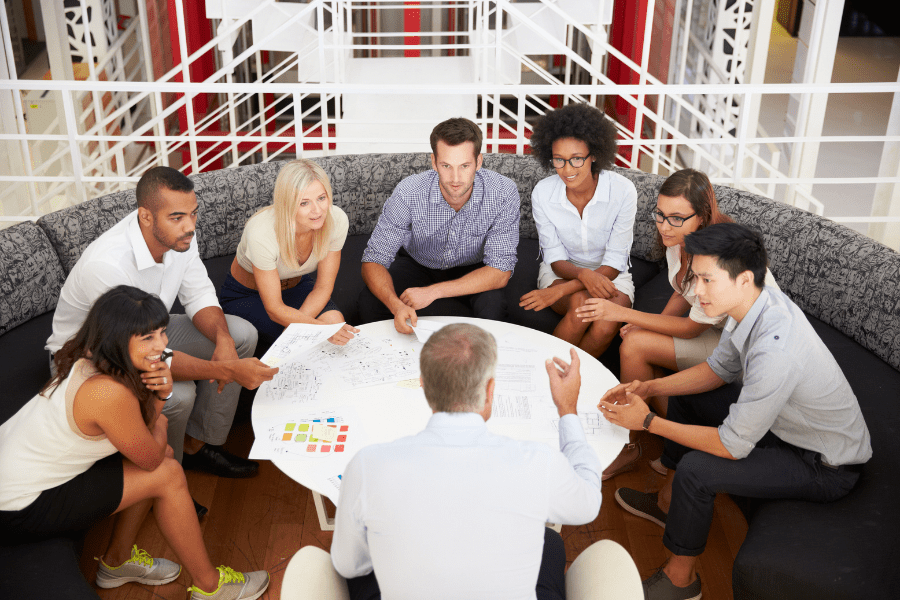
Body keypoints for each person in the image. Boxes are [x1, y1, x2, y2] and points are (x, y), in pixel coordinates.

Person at [598, 224, 872, 600]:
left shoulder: (776, 351)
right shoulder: (754, 304)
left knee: (697, 470)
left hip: (822, 465)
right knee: (685, 393)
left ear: (744, 280)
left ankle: (682, 581)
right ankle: (668, 502)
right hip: (785, 429)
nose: (697, 291)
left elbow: (731, 447)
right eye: (696, 278)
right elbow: (716, 370)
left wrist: (647, 421)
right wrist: (649, 387)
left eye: (708, 280)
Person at [1, 286, 269, 600]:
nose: (162, 345)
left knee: (165, 454)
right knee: (166, 473)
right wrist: (162, 398)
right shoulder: (106, 392)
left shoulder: (94, 354)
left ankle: (116, 563)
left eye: (162, 332)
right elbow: (152, 459)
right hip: (17, 505)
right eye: (148, 338)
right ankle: (211, 588)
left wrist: (162, 400)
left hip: (20, 474)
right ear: (116, 337)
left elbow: (149, 442)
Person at [46, 167, 278, 497]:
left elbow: (198, 294)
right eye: (177, 217)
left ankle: (198, 445)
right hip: (90, 358)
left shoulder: (181, 237)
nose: (190, 226)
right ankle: (169, 481)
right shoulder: (108, 265)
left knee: (241, 335)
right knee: (178, 397)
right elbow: (136, 353)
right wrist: (225, 369)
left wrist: (224, 343)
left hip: (148, 336)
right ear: (146, 217)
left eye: (194, 214)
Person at [331, 323, 603, 600]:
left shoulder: (368, 464)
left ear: (424, 385)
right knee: (551, 544)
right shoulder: (539, 462)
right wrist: (567, 410)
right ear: (490, 390)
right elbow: (588, 504)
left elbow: (349, 565)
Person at [576, 169, 776, 479]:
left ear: (703, 216)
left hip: (744, 344)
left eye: (676, 218)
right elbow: (682, 290)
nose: (664, 226)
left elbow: (692, 328)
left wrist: (625, 315)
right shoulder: (680, 239)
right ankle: (676, 438)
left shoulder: (718, 254)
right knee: (638, 339)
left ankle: (631, 445)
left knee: (635, 344)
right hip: (719, 326)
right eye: (660, 214)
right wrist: (651, 325)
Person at [358, 118, 521, 333]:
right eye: (446, 166)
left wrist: (433, 292)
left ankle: (481, 366)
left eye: (465, 166)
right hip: (418, 262)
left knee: (494, 308)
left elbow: (500, 271)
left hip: (475, 267)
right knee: (369, 303)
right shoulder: (409, 191)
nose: (455, 178)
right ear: (434, 162)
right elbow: (373, 259)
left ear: (479, 162)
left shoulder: (503, 192)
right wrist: (396, 306)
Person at [519, 103, 637, 358]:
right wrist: (583, 276)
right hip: (562, 272)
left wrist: (561, 290)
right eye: (559, 160)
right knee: (580, 305)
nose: (567, 169)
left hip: (612, 275)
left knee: (605, 322)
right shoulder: (543, 192)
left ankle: (573, 382)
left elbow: (616, 261)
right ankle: (545, 375)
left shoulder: (623, 191)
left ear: (594, 155)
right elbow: (555, 258)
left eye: (576, 159)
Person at [220, 159, 358, 351]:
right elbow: (275, 308)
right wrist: (316, 329)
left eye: (321, 198)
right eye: (304, 203)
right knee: (301, 343)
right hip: (248, 295)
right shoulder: (261, 232)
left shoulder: (336, 220)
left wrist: (309, 327)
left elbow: (323, 288)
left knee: (335, 321)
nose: (317, 211)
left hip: (296, 286)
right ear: (288, 203)